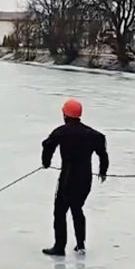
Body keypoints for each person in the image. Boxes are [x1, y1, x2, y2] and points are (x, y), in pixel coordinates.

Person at [40, 98, 109, 256]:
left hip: (67, 178)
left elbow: (47, 145)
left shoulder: (61, 132)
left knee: (60, 212)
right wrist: (103, 171)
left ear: (65, 115)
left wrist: (46, 163)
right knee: (77, 209)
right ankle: (80, 244)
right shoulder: (93, 134)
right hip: (85, 179)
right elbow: (103, 154)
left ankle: (59, 247)